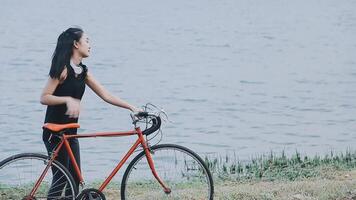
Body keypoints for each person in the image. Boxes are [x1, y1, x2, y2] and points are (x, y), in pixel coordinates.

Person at [40, 27, 140, 198]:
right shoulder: (63, 70)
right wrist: (67, 100)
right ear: (76, 44)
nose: (90, 45)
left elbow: (106, 95)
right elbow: (44, 97)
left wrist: (132, 107)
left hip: (71, 132)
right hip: (54, 132)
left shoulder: (83, 72)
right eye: (87, 41)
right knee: (61, 179)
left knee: (75, 181)